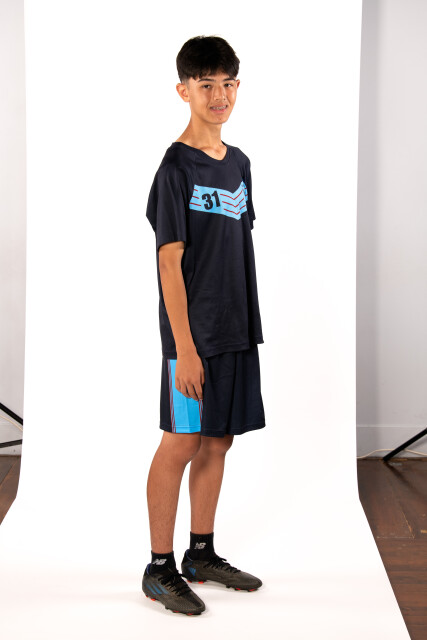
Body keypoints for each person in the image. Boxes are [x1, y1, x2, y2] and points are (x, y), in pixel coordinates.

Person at [142, 35, 266, 616]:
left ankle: (201, 553)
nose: (219, 95)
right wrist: (185, 350)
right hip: (191, 338)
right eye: (206, 84)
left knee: (218, 439)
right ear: (183, 90)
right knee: (182, 440)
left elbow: (232, 248)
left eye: (227, 83)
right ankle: (159, 567)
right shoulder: (174, 169)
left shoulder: (239, 163)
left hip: (236, 327)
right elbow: (169, 264)